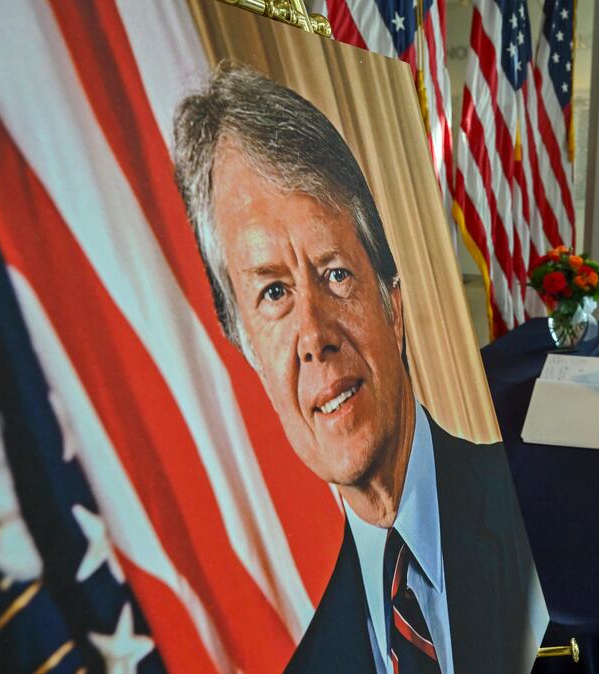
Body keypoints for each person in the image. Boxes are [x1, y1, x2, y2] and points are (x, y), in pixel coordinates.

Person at [173, 63, 543, 674]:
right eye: (273, 294)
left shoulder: (530, 507)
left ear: (392, 307)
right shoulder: (310, 659)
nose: (313, 336)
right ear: (252, 360)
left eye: (336, 273)